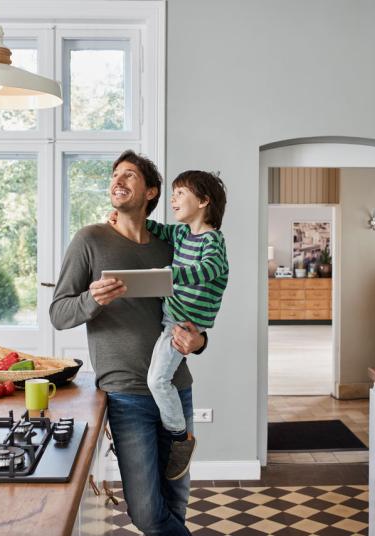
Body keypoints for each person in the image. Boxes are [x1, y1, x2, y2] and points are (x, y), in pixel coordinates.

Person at [49, 150, 207, 536]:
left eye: (130, 175)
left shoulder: (171, 245)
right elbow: (59, 313)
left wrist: (199, 341)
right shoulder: (90, 239)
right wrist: (93, 299)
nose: (118, 180)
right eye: (114, 175)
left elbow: (194, 308)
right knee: (148, 514)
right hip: (125, 397)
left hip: (176, 388)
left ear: (151, 191)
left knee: (175, 505)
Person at [111, 170, 229, 481]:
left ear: (203, 201)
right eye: (173, 193)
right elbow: (156, 228)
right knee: (158, 380)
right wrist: (122, 219)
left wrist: (169, 276)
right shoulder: (180, 234)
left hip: (180, 325)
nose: (173, 200)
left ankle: (180, 437)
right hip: (173, 318)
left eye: (180, 194)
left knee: (157, 381)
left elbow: (210, 269)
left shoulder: (213, 241)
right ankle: (177, 432)